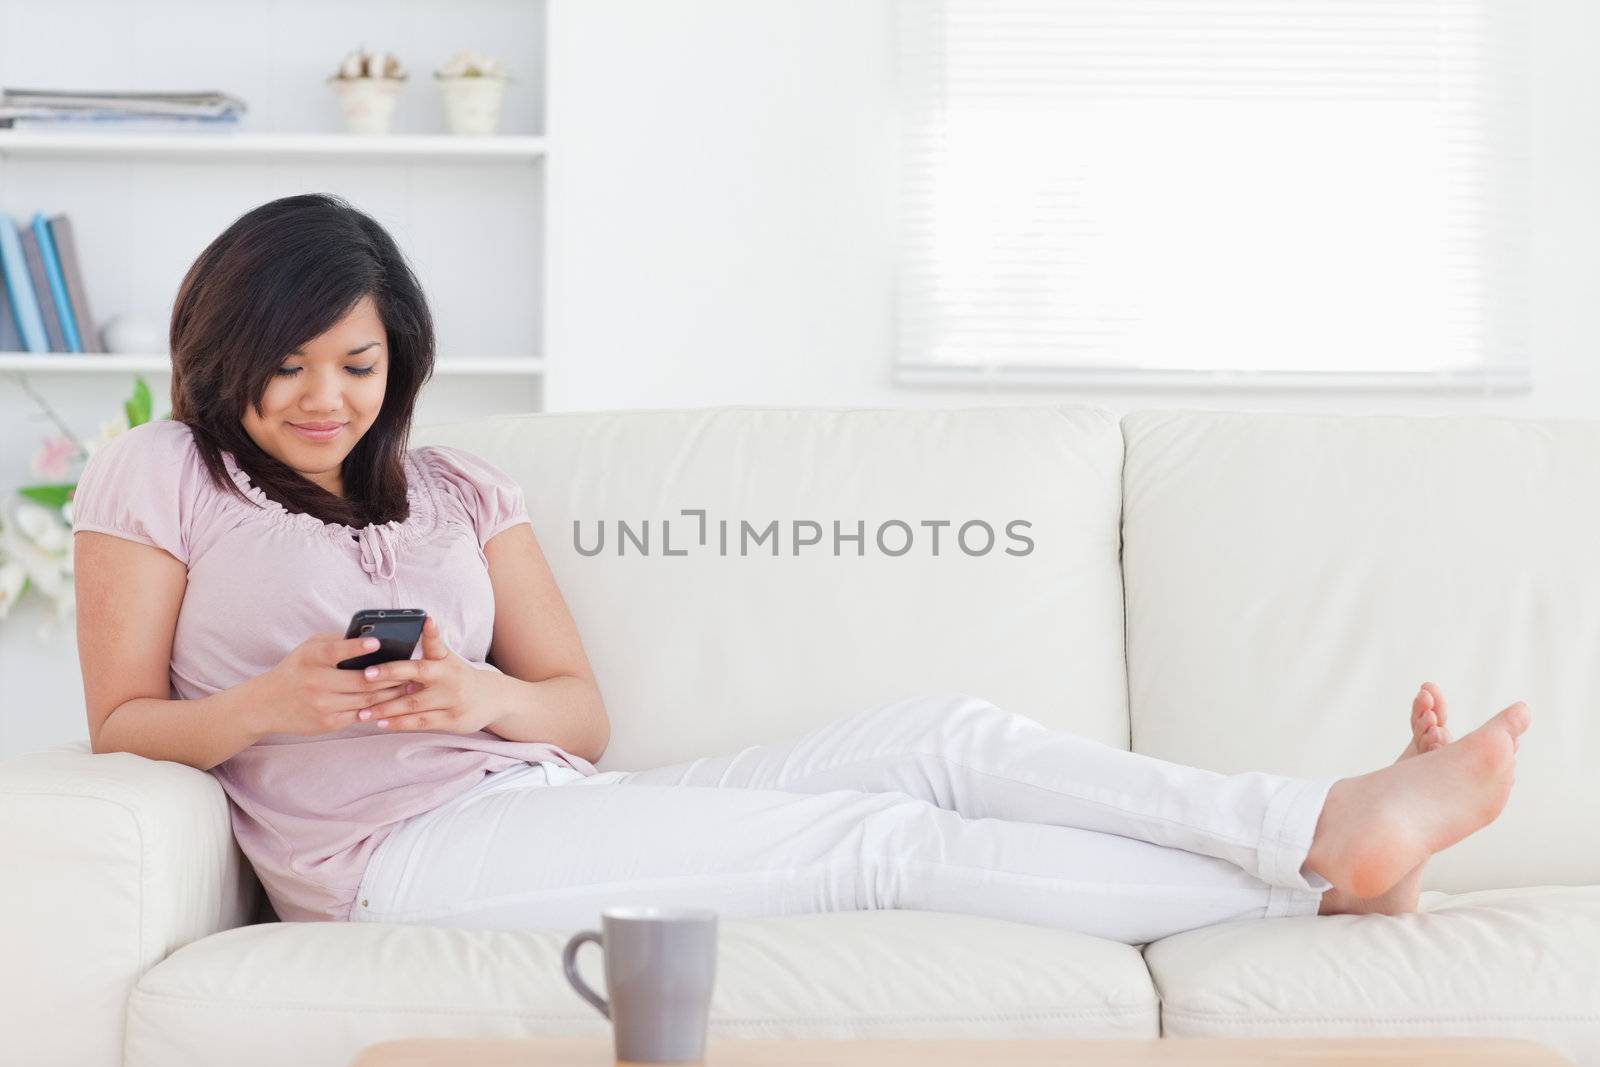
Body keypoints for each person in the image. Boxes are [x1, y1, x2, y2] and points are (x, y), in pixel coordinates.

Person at [72, 193, 1531, 942]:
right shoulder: (159, 468)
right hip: (394, 866)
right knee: (875, 846)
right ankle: (1321, 885)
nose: (322, 399)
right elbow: (122, 723)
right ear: (224, 353)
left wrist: (475, 697)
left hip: (541, 791)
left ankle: (1317, 822)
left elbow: (578, 713)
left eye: (358, 363)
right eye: (285, 365)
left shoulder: (457, 482)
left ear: (400, 365)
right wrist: (276, 707)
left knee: (937, 739)